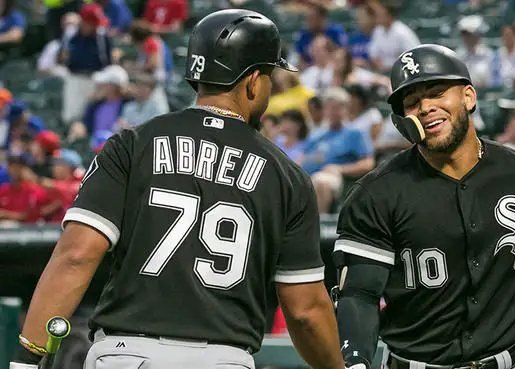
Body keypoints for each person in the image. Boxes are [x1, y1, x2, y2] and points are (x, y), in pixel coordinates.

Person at [10, 9, 345, 369]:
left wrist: (27, 359)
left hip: (125, 353)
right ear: (252, 82)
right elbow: (306, 310)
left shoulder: (132, 143)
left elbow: (76, 255)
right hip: (223, 358)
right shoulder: (286, 175)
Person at [332, 44, 515, 369]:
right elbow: (359, 294)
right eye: (412, 102)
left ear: (469, 97)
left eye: (437, 92)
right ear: (402, 120)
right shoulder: (376, 193)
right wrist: (356, 361)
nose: (426, 107)